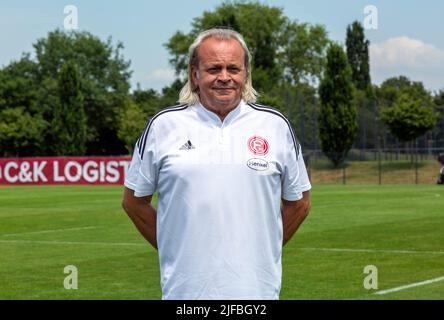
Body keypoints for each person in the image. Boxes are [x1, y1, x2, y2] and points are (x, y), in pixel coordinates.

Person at [122, 28, 311, 300]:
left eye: (233, 68)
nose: (225, 77)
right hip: (185, 295)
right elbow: (133, 202)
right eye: (213, 69)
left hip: (257, 294)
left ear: (245, 74)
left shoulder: (275, 126)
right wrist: (174, 247)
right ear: (194, 74)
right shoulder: (163, 126)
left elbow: (300, 203)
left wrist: (260, 249)